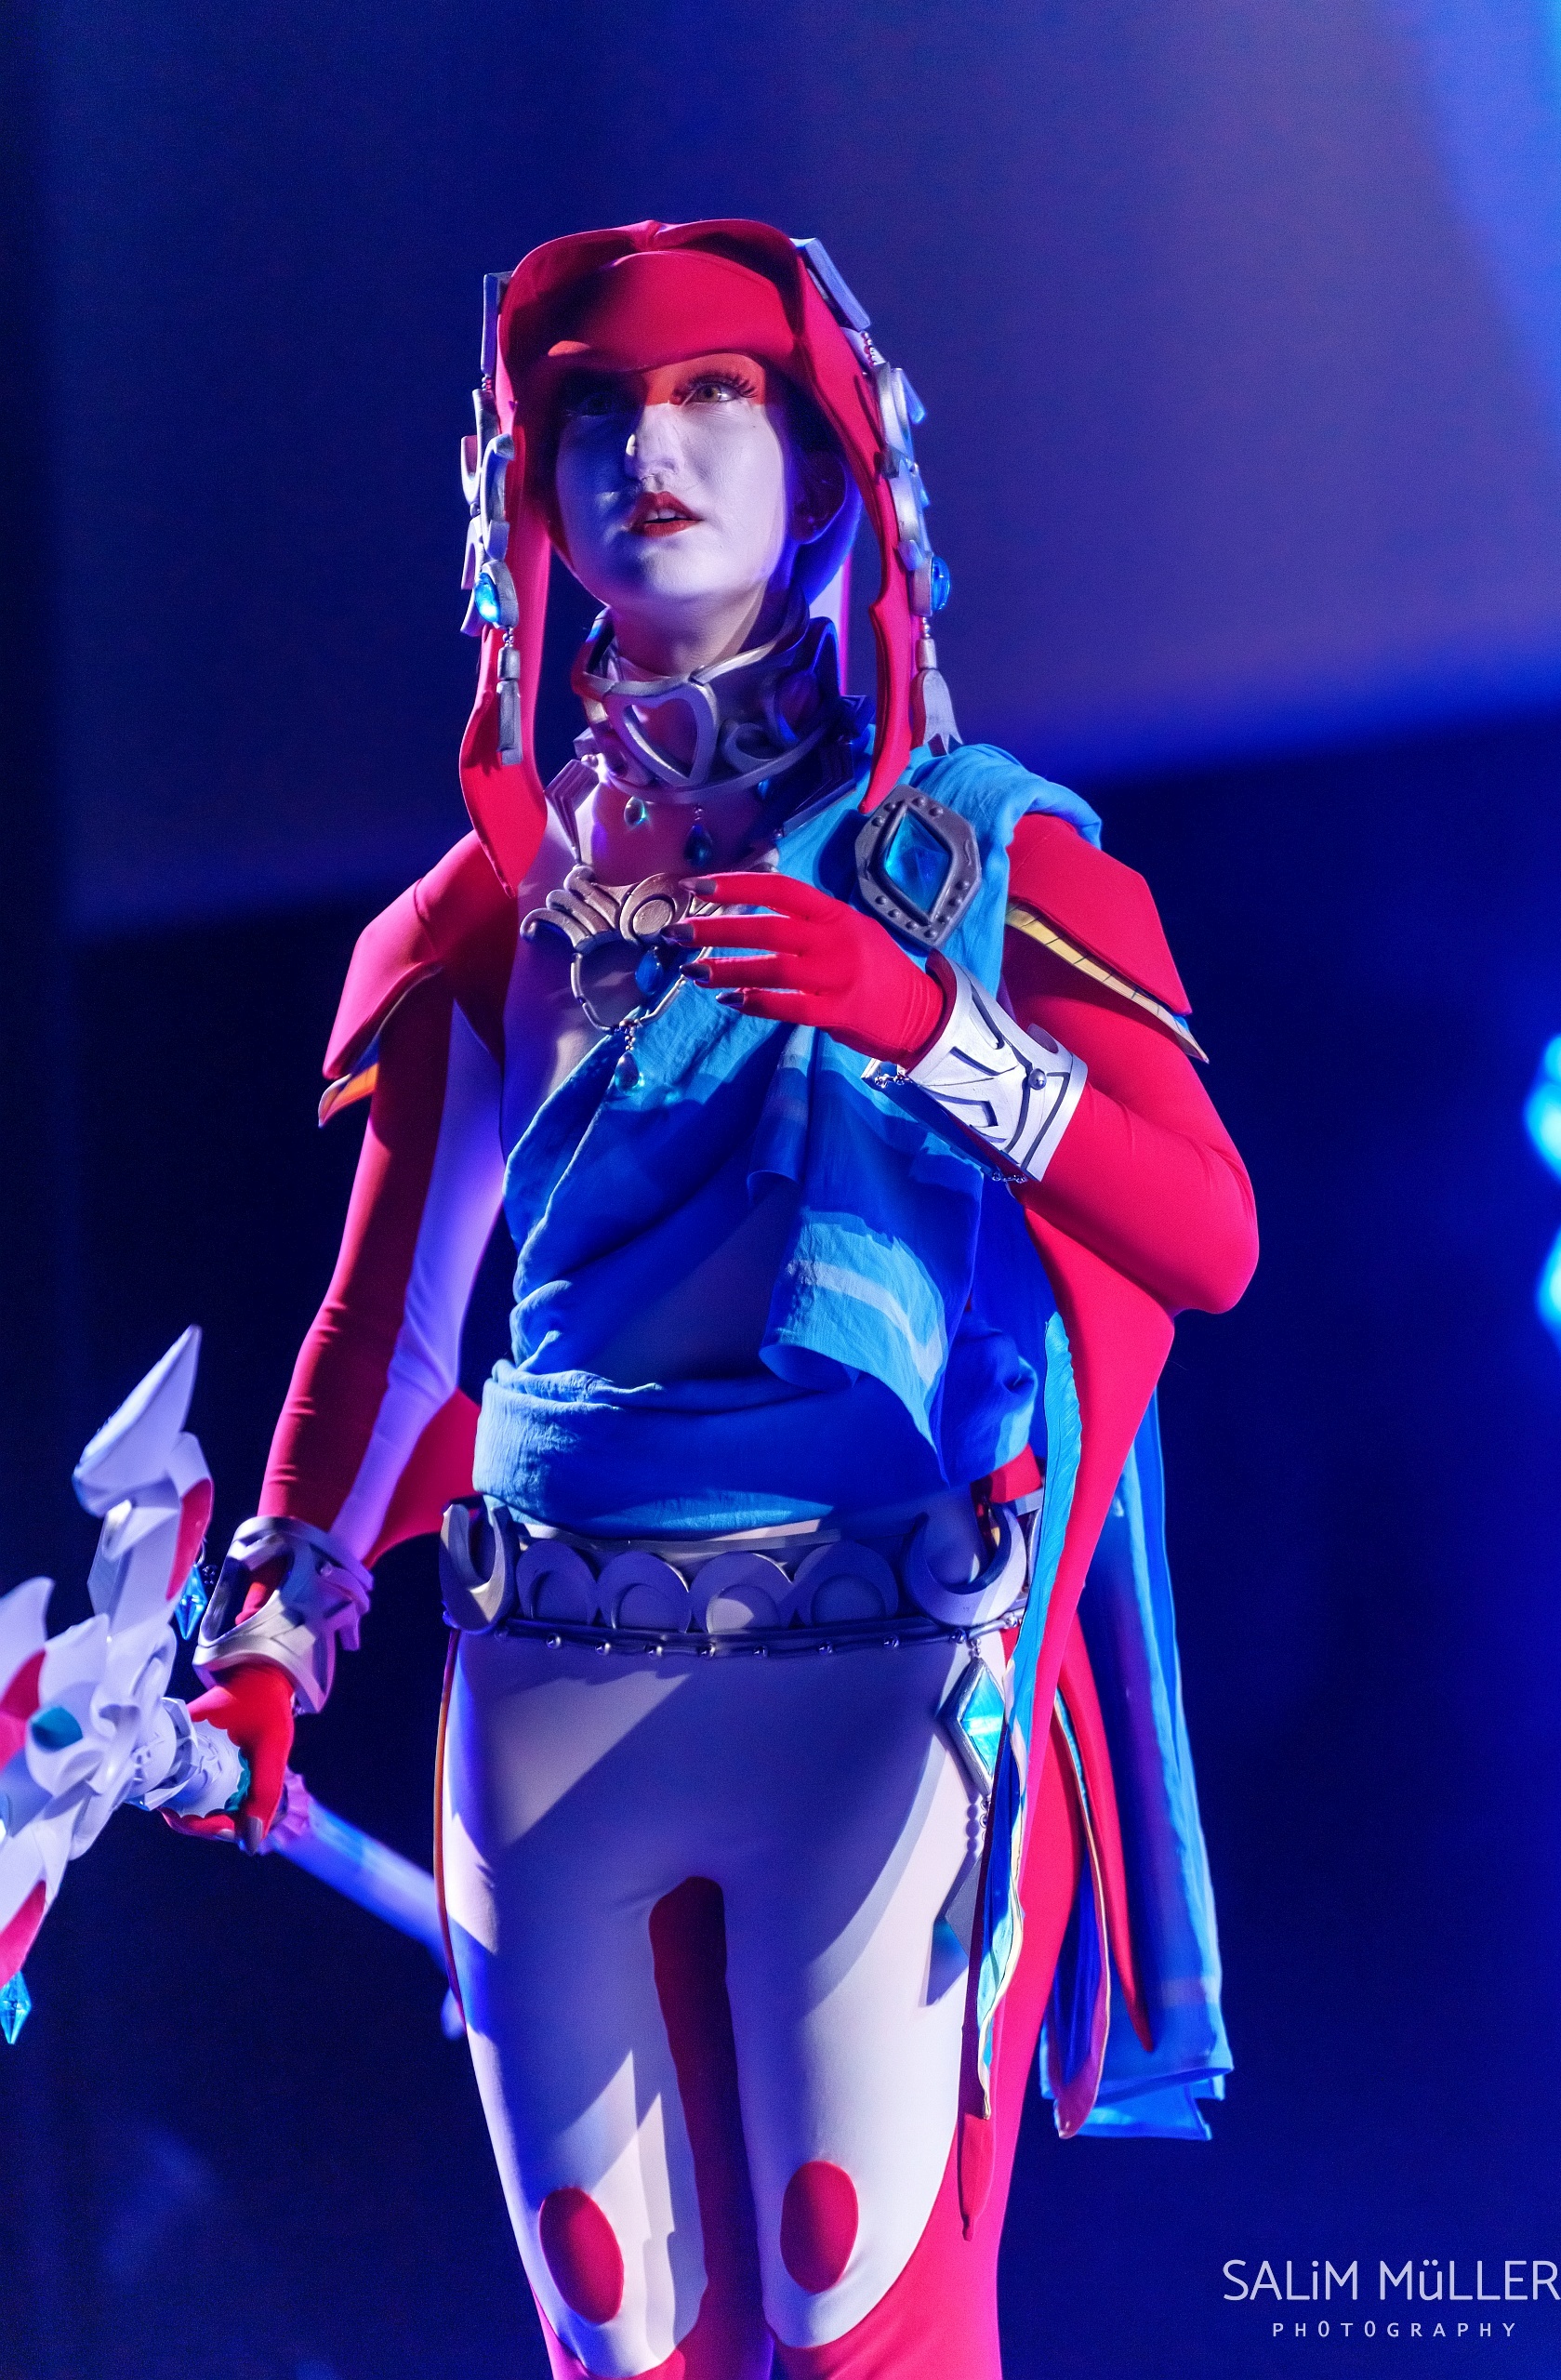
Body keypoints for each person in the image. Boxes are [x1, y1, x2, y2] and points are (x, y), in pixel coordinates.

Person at [175, 218, 1258, 2380]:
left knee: (868, 2314)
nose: (643, 449)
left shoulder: (974, 861)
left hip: (878, 1672)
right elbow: (386, 1327)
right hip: (545, 1678)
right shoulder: (486, 915)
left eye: (708, 397)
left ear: (828, 462)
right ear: (524, 486)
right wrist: (272, 1638)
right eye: (594, 407)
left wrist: (928, 1022)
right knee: (621, 2335)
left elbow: (1205, 1235)